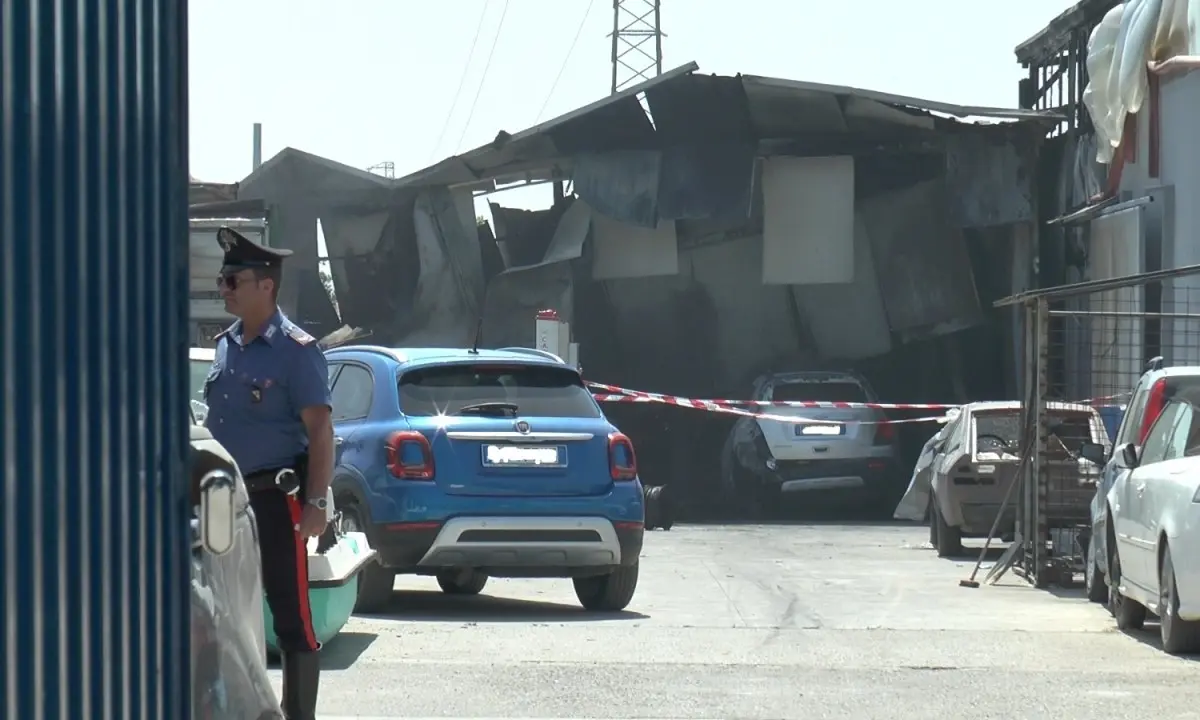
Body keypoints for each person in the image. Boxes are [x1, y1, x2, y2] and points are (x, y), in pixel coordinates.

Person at [203, 227, 333, 720]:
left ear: (266, 285)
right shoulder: (225, 346)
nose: (224, 289)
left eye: (234, 279)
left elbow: (321, 432)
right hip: (221, 503)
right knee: (218, 614)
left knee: (291, 618)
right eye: (222, 280)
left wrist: (318, 504)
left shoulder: (296, 351)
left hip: (275, 500)